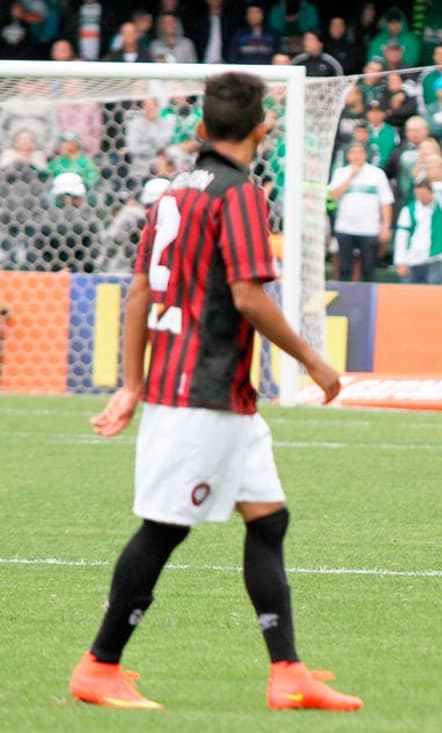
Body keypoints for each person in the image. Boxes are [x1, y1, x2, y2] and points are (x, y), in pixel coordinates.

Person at [67, 71, 363, 713]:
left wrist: (132, 384)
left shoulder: (173, 191)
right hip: (202, 393)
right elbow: (250, 295)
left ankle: (287, 672)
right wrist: (315, 359)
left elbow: (142, 289)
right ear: (264, 130)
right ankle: (98, 665)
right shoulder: (240, 196)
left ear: (200, 129)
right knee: (164, 530)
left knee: (270, 518)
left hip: (212, 394)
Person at [328, 141, 393, 282]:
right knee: (345, 268)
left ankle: (368, 302)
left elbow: (386, 202)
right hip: (345, 227)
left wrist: (386, 226)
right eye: (353, 152)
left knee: (369, 269)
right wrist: (351, 177)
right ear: (348, 155)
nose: (357, 156)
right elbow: (332, 196)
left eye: (360, 152)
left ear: (365, 155)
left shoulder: (377, 174)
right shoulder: (341, 173)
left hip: (369, 229)